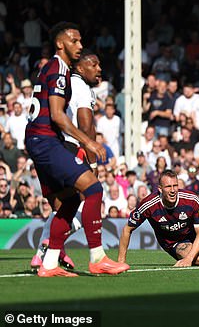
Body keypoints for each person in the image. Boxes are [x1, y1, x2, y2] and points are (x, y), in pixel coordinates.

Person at [25, 22, 128, 277]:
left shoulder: (52, 68)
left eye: (81, 41)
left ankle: (49, 263)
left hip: (41, 141)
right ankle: (98, 258)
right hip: (47, 140)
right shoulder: (60, 69)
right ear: (61, 43)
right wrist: (90, 142)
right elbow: (59, 116)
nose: (79, 45)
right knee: (93, 188)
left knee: (70, 200)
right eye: (74, 41)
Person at [30, 49, 103, 270]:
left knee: (62, 205)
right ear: (80, 67)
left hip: (44, 146)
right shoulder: (80, 86)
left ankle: (52, 254)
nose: (99, 69)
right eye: (94, 65)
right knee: (91, 194)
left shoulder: (60, 81)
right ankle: (52, 246)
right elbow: (86, 124)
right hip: (67, 148)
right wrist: (92, 161)